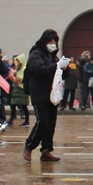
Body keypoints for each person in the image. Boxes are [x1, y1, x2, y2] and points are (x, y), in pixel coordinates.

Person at [23, 28, 69, 163]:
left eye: (55, 41)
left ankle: (46, 150)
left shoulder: (53, 56)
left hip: (52, 93)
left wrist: (65, 68)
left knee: (51, 123)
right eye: (50, 41)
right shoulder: (36, 54)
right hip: (39, 92)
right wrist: (56, 66)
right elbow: (38, 69)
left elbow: (60, 74)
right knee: (42, 121)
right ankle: (29, 146)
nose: (53, 44)